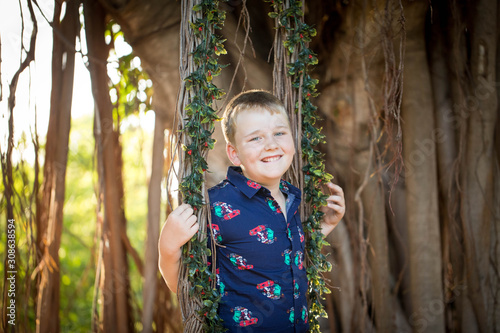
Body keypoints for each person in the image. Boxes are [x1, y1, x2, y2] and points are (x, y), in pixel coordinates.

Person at [159, 90, 345, 332]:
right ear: (234, 153)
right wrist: (168, 247)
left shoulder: (292, 196)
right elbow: (184, 285)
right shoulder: (216, 207)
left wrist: (325, 226)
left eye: (279, 133)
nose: (271, 145)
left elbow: (285, 253)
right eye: (256, 138)